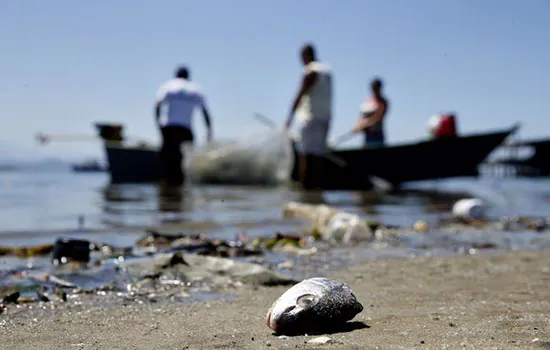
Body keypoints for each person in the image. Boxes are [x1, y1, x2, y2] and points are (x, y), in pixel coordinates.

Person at [284, 43, 333, 190]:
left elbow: (300, 94)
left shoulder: (311, 71)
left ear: (306, 56)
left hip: (310, 119)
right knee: (318, 156)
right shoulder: (327, 70)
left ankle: (304, 192)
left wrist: (289, 118)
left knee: (305, 156)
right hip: (325, 117)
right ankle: (316, 190)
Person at [154, 66, 213, 186]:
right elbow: (205, 112)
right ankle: (183, 184)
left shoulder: (168, 86)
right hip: (185, 129)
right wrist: (209, 129)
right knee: (186, 158)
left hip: (169, 127)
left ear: (176, 75)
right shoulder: (195, 89)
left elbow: (157, 106)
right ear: (188, 76)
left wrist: (158, 124)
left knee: (168, 158)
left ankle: (168, 182)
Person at [352, 78, 389, 147]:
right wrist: (357, 126)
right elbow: (362, 116)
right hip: (368, 136)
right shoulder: (368, 101)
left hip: (377, 135)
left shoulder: (383, 102)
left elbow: (379, 116)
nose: (375, 90)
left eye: (377, 88)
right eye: (374, 88)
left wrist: (365, 124)